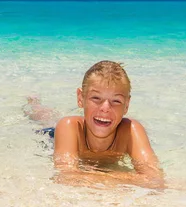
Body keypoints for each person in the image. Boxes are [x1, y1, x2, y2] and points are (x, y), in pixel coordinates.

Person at [28, 61, 164, 189]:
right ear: (80, 98)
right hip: (53, 135)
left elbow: (154, 179)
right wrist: (125, 177)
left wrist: (90, 175)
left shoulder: (131, 130)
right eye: (96, 98)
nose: (105, 108)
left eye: (116, 101)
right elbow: (66, 176)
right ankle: (34, 104)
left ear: (126, 105)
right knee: (46, 118)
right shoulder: (68, 127)